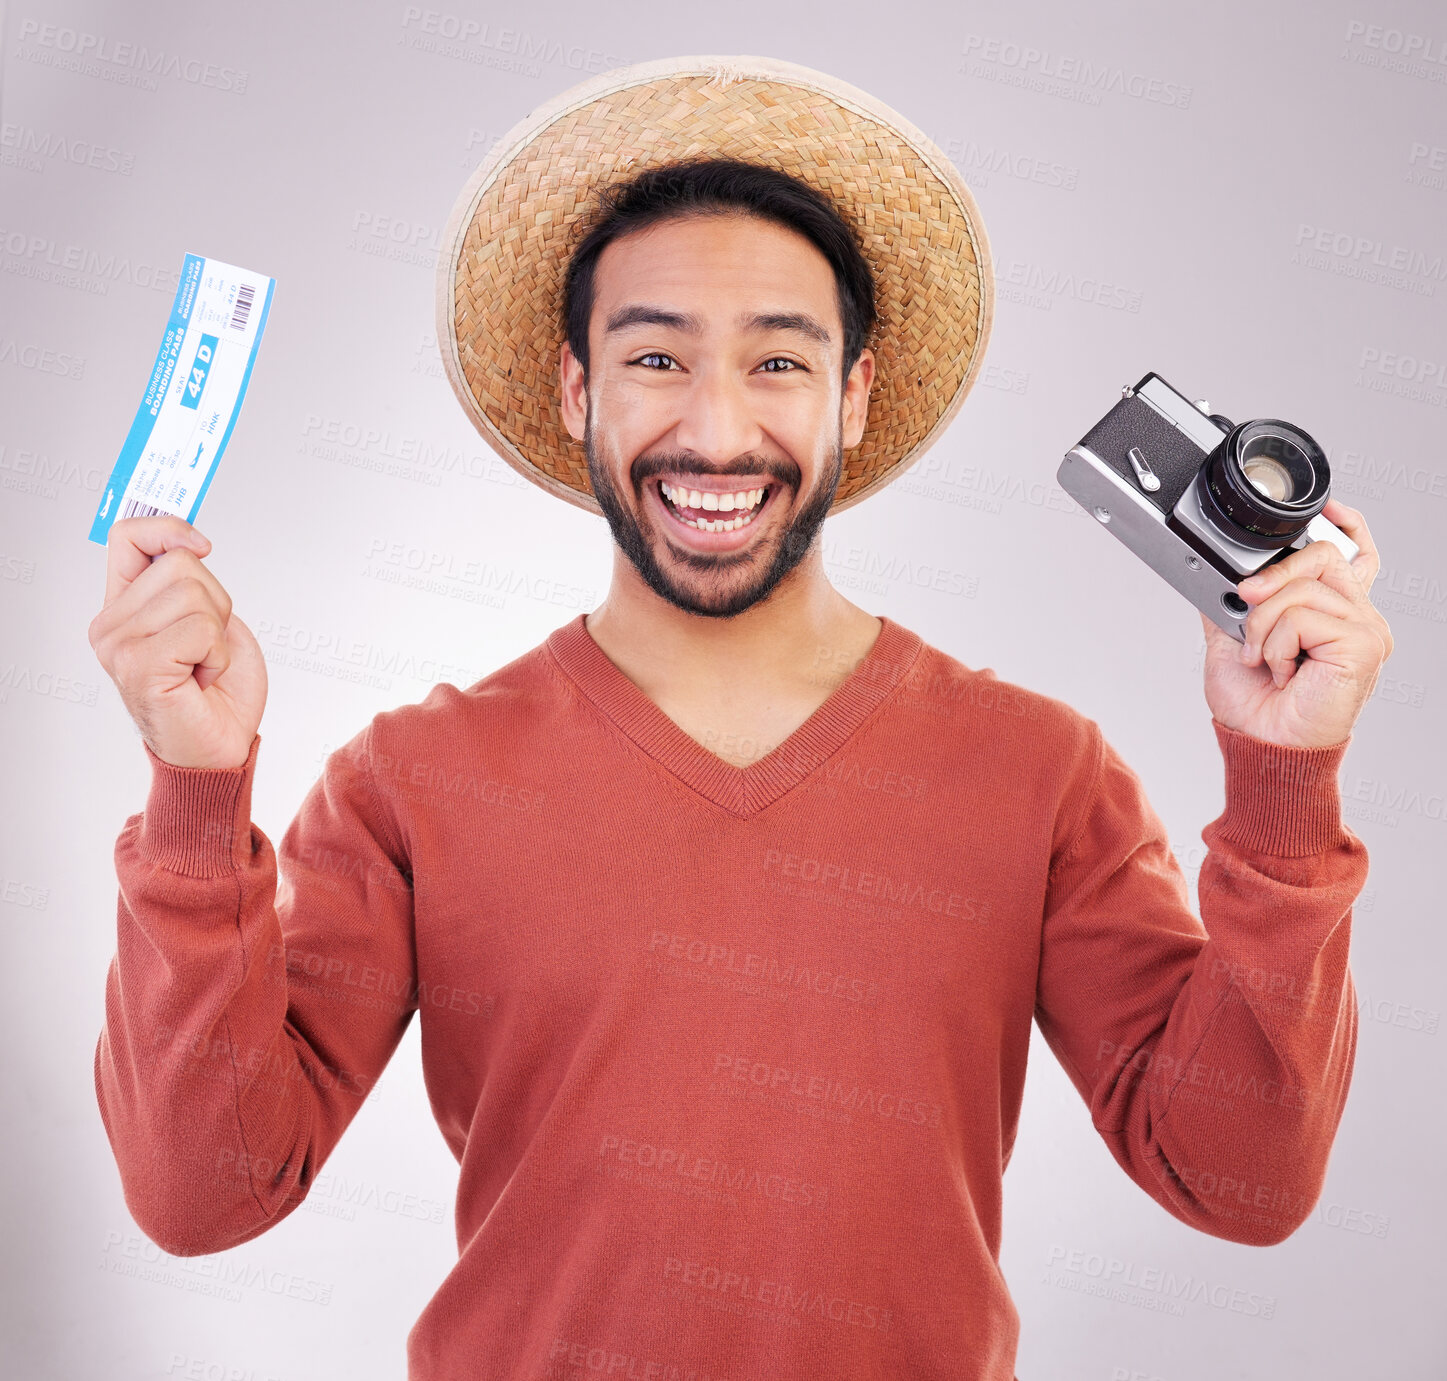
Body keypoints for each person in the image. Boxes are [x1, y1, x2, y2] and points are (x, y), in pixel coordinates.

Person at [88, 56, 1393, 1381]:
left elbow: (1242, 1180)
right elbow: (204, 1193)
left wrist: (1289, 781)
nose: (717, 430)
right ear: (578, 388)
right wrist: (196, 793)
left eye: (780, 358)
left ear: (856, 397)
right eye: (655, 355)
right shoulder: (413, 781)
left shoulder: (1039, 773)